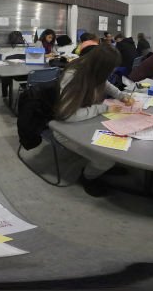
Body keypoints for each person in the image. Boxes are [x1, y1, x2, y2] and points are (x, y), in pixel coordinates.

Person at [53, 44, 135, 196]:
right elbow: (68, 115)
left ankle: (102, 166)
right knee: (106, 159)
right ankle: (88, 177)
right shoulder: (73, 76)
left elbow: (105, 83)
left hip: (84, 119)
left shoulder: (92, 69)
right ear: (101, 67)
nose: (112, 72)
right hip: (65, 129)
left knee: (118, 144)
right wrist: (103, 108)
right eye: (110, 69)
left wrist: (121, 96)